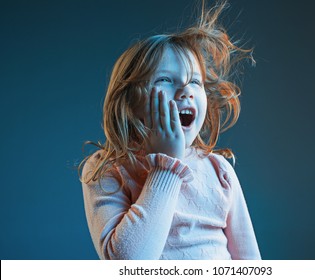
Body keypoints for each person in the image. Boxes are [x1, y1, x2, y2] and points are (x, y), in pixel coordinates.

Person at [79, 0, 261, 260]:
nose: (186, 90)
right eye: (165, 79)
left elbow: (251, 262)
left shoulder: (219, 170)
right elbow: (130, 264)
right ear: (129, 100)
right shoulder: (106, 168)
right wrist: (167, 166)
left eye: (195, 81)